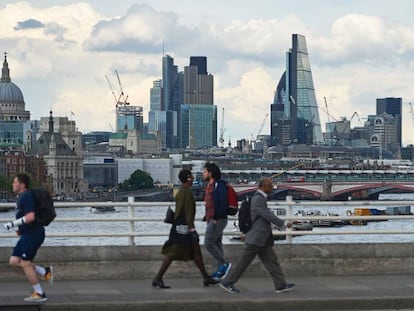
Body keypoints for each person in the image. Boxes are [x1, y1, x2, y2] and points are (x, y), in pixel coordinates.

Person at [220, 177, 295, 294]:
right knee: (243, 263)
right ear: (264, 186)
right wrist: (283, 223)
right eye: (270, 186)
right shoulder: (258, 199)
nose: (272, 188)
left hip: (262, 238)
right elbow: (266, 214)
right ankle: (228, 282)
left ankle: (280, 285)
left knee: (272, 262)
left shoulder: (259, 198)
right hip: (256, 238)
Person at [153, 169, 218, 288]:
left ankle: (206, 277)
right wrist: (192, 229)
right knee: (173, 252)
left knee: (195, 251)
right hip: (184, 228)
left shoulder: (179, 191)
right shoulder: (187, 193)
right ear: (188, 178)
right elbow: (188, 212)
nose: (193, 178)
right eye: (192, 177)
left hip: (178, 226)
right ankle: (158, 278)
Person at [4, 173, 53, 302]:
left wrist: (12, 224)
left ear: (22, 184)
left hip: (33, 234)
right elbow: (25, 217)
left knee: (25, 263)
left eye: (15, 182)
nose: (12, 185)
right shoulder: (21, 197)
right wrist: (20, 229)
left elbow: (30, 217)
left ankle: (39, 293)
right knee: (14, 261)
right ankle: (44, 271)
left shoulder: (26, 196)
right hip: (27, 233)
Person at [203, 162, 231, 281]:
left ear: (210, 173)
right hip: (212, 219)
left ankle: (224, 264)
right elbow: (211, 203)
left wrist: (214, 218)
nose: (203, 174)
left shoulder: (218, 185)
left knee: (208, 242)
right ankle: (221, 270)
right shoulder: (210, 185)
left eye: (205, 171)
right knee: (217, 243)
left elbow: (222, 202)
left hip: (217, 219)